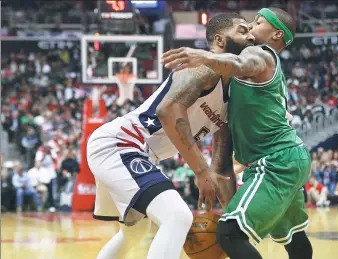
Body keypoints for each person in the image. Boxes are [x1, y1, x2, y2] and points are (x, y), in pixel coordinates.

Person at [87, 13, 255, 259]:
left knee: (134, 232)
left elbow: (220, 165)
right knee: (177, 216)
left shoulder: (230, 95)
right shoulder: (202, 66)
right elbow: (168, 111)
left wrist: (232, 219)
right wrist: (200, 170)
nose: (251, 36)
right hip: (122, 143)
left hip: (141, 153)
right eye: (243, 30)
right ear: (220, 40)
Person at [162, 7, 312, 259]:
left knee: (230, 233)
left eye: (258, 22)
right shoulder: (266, 68)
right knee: (294, 237)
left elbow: (241, 63)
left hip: (276, 161)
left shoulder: (261, 53)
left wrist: (205, 56)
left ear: (276, 35)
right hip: (289, 158)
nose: (251, 26)